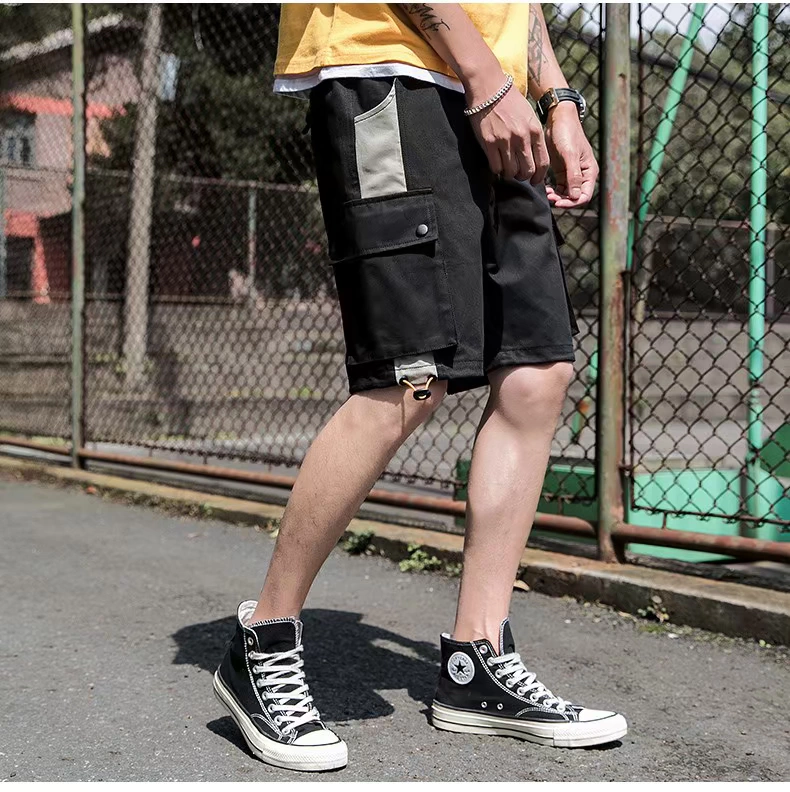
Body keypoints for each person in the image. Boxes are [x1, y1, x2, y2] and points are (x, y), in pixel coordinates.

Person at [213, 3, 627, 772]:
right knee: (409, 377)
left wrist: (557, 100)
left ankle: (476, 660)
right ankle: (261, 640)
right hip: (391, 71)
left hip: (499, 93)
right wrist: (484, 78)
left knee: (537, 372)